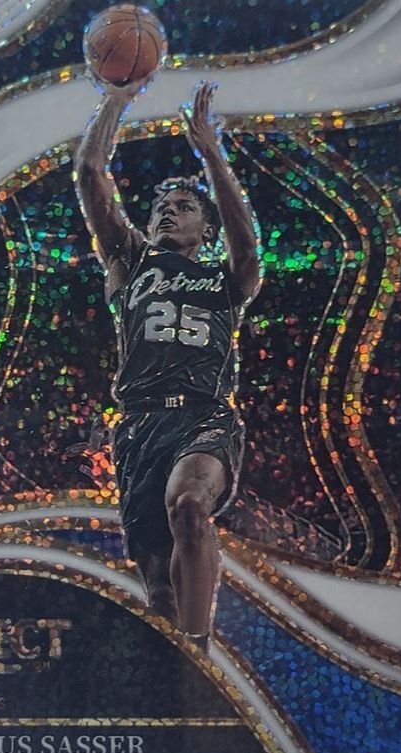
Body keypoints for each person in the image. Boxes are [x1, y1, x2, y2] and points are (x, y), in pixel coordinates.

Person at [74, 79, 261, 650]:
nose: (167, 213)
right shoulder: (130, 261)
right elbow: (89, 172)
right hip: (140, 425)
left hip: (204, 416)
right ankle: (178, 664)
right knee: (158, 589)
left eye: (183, 207)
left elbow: (247, 244)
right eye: (161, 208)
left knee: (189, 505)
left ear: (207, 229)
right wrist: (116, 96)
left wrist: (211, 154)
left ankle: (199, 649)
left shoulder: (226, 278)